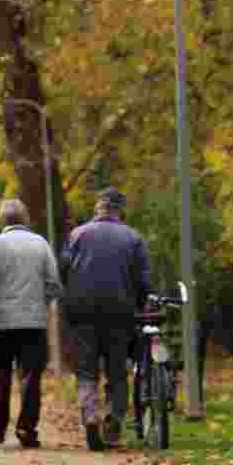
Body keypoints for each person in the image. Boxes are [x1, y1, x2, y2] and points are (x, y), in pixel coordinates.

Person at [59, 186, 151, 451]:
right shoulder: (133, 238)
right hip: (120, 314)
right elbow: (143, 280)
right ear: (121, 211)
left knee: (86, 371)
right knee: (117, 371)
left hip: (83, 314)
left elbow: (63, 270)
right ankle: (113, 417)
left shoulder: (77, 235)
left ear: (98, 208)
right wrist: (141, 303)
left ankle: (90, 414)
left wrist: (69, 300)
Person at [0, 199, 62, 449]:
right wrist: (42, 302)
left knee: (1, 376)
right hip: (33, 322)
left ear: (2, 219)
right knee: (31, 377)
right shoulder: (40, 243)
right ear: (25, 218)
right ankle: (26, 428)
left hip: (1, 323)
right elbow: (54, 281)